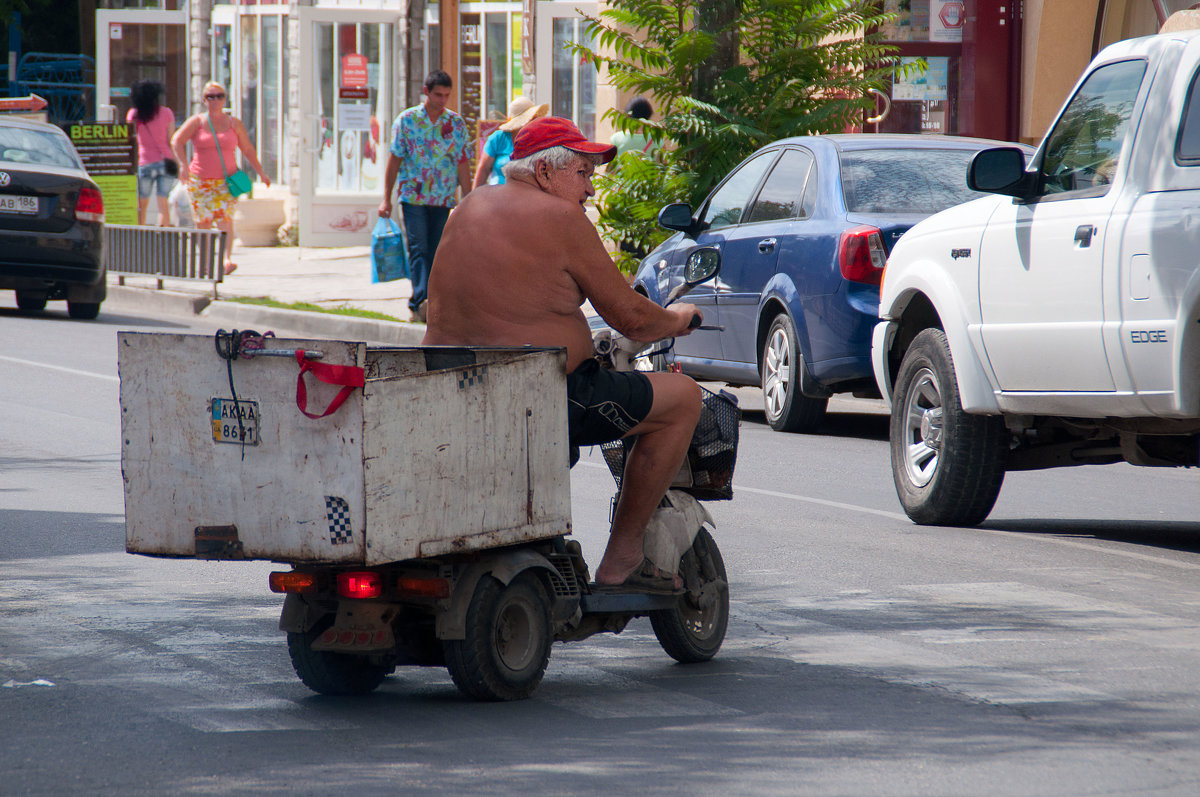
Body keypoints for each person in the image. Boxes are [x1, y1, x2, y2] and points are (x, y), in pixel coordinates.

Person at [423, 116, 702, 593]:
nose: (590, 189)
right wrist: (679, 317)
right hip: (541, 393)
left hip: (451, 387)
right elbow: (632, 319)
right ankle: (624, 557)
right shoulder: (560, 217)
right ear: (546, 172)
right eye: (583, 173)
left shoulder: (467, 207)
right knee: (684, 398)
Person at [378, 70, 472, 323]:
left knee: (437, 250)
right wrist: (386, 198)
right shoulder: (407, 121)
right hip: (413, 198)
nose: (442, 100)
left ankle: (432, 301)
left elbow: (462, 163)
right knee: (418, 248)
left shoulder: (456, 124)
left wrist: (469, 199)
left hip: (442, 199)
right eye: (438, 95)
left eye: (447, 96)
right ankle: (419, 300)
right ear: (426, 92)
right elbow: (394, 161)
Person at [171, 81, 270, 276]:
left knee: (226, 221)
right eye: (210, 96)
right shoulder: (197, 121)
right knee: (204, 222)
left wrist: (261, 172)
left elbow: (247, 149)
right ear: (204, 100)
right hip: (200, 182)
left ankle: (226, 260)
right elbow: (177, 141)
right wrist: (183, 165)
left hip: (227, 181)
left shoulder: (234, 123)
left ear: (225, 99)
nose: (215, 100)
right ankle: (207, 262)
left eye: (219, 96)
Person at [127, 80, 177, 226]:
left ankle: (141, 238)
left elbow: (130, 138)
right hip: (166, 161)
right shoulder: (167, 113)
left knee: (142, 205)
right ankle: (163, 237)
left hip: (145, 161)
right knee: (163, 203)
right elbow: (171, 140)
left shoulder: (134, 114)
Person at [472, 97, 548, 188]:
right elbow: (483, 169)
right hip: (498, 194)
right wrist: (475, 197)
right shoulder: (498, 138)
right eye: (532, 118)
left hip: (528, 195)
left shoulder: (539, 140)